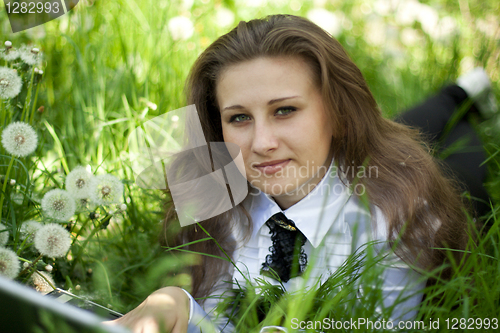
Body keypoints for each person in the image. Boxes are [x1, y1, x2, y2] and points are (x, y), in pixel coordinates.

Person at [109, 14, 495, 333]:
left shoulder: (400, 215)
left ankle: (461, 104)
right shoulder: (217, 193)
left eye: (285, 110)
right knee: (400, 126)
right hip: (339, 154)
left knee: (460, 149)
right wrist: (183, 306)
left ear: (338, 111)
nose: (262, 143)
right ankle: (458, 94)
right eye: (239, 117)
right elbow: (222, 315)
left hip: (433, 183)